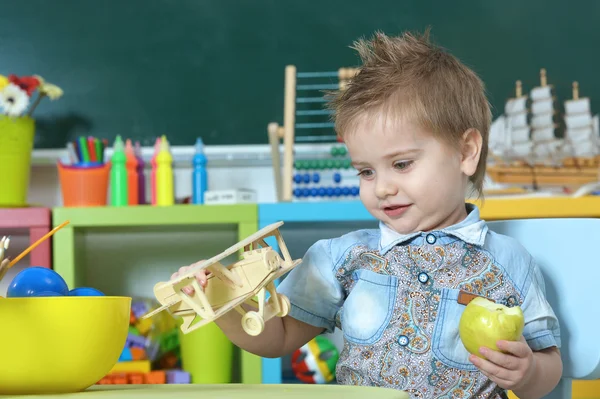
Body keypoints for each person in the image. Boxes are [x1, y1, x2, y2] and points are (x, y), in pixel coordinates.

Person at [171, 29, 562, 398]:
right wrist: (218, 302)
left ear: (466, 152)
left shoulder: (508, 263)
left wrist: (527, 373)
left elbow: (549, 364)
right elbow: (277, 337)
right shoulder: (342, 257)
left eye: (403, 164)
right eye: (366, 171)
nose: (382, 187)